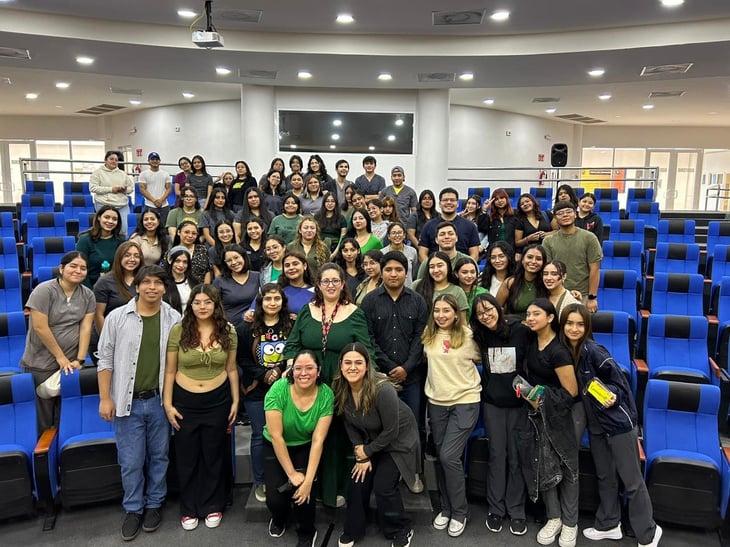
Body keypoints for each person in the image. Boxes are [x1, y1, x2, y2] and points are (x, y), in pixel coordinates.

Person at [559, 304, 662, 547]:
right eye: (570, 323)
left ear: (587, 327)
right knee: (605, 476)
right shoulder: (566, 352)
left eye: (580, 324)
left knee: (632, 481)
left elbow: (620, 383)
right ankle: (609, 524)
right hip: (596, 426)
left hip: (617, 424)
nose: (574, 329)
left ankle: (648, 532)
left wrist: (612, 395)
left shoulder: (594, 350)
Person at [97, 265, 181, 541]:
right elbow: (105, 359)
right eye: (147, 282)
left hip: (159, 401)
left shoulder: (174, 318)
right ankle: (133, 508)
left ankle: (155, 504)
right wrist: (105, 398)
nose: (152, 288)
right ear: (137, 285)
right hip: (126, 401)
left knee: (159, 456)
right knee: (131, 461)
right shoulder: (117, 317)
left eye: (158, 283)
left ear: (165, 288)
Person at [283, 263, 375, 508]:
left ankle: (335, 489)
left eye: (336, 281)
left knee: (335, 438)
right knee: (311, 435)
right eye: (326, 281)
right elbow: (292, 345)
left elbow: (366, 350)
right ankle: (308, 484)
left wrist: (372, 380)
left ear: (343, 284)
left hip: (341, 383)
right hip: (308, 382)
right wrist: (292, 367)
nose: (331, 285)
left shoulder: (355, 312)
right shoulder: (306, 310)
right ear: (318, 285)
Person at [164, 284, 239, 531]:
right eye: (197, 302)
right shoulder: (178, 330)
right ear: (191, 305)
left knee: (213, 454)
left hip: (217, 399)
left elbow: (230, 369)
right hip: (184, 401)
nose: (202, 307)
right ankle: (189, 508)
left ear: (216, 304)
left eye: (208, 302)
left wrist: (235, 400)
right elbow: (171, 370)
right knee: (187, 456)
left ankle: (212, 505)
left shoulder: (228, 331)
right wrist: (167, 404)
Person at [333, 342, 419, 547]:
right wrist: (359, 451)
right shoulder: (341, 388)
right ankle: (353, 528)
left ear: (366, 366)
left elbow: (392, 430)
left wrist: (367, 452)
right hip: (373, 440)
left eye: (358, 362)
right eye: (347, 363)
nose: (352, 367)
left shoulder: (383, 389)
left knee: (383, 487)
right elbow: (349, 423)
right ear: (341, 366)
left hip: (399, 442)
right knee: (358, 481)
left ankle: (400, 528)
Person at [360, 251, 429, 472]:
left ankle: (414, 471)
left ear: (406, 273)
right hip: (381, 377)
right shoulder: (370, 301)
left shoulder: (417, 301)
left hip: (412, 376)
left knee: (414, 423)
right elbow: (368, 339)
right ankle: (385, 470)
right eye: (388, 269)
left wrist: (406, 368)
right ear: (382, 271)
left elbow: (421, 338)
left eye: (398, 269)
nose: (393, 274)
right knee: (382, 424)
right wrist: (390, 367)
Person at [470, 293, 530, 537]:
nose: (486, 316)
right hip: (493, 403)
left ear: (498, 308)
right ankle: (496, 508)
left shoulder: (520, 329)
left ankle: (516, 510)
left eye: (489, 310)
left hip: (519, 403)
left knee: (516, 457)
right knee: (496, 455)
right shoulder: (480, 335)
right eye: (480, 313)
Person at [523, 299, 580, 547]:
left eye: (537, 313)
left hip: (563, 414)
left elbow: (571, 391)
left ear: (550, 317)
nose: (531, 317)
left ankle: (570, 523)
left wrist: (540, 396)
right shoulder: (532, 340)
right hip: (541, 412)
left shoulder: (558, 350)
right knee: (544, 465)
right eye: (528, 313)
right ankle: (553, 517)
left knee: (566, 468)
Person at [423, 294, 481, 538]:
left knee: (449, 456)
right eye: (437, 310)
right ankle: (446, 508)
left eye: (447, 311)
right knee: (441, 457)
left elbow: (484, 359)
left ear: (456, 314)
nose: (441, 315)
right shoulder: (428, 335)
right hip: (436, 402)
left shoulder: (468, 337)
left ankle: (460, 512)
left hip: (465, 401)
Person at [263, 350, 333, 547]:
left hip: (305, 445)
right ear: (292, 371)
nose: (304, 373)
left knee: (304, 496)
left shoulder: (326, 394)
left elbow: (318, 440)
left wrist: (308, 480)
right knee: (275, 501)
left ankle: (307, 532)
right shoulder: (278, 389)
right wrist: (292, 473)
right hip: (275, 445)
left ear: (318, 371)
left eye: (309, 368)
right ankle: (279, 518)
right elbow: (276, 436)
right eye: (298, 368)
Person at [20, 251, 95, 431]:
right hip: (41, 362)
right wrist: (60, 358)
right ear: (61, 268)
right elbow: (40, 327)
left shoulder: (88, 295)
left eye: (83, 268)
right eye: (73, 266)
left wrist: (80, 360)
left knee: (67, 414)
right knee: (44, 419)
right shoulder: (44, 290)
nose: (78, 271)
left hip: (72, 364)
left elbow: (85, 328)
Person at [237, 283, 293, 505]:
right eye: (267, 299)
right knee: (260, 435)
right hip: (256, 390)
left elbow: (293, 350)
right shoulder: (246, 328)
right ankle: (260, 480)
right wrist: (263, 375)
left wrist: (277, 371)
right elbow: (241, 359)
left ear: (282, 301)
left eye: (276, 299)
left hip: (285, 388)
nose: (272, 303)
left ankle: (287, 474)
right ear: (260, 302)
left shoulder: (291, 324)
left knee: (286, 434)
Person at [542, 200, 603, 312]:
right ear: (555, 218)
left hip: (583, 295)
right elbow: (548, 270)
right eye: (560, 213)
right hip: (557, 294)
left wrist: (592, 297)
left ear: (575, 214)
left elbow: (595, 269)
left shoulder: (589, 238)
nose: (565, 215)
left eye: (569, 211)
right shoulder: (548, 241)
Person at [93, 241, 142, 346]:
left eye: (136, 256)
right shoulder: (105, 282)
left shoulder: (144, 279)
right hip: (111, 337)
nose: (132, 259)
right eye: (127, 255)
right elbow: (98, 315)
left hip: (136, 338)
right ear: (119, 257)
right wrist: (107, 342)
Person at [418, 188, 480, 263]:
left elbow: (475, 254)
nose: (449, 202)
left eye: (452, 200)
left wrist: (464, 269)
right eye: (445, 200)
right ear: (440, 204)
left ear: (458, 204)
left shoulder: (470, 226)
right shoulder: (428, 226)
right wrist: (432, 267)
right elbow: (422, 253)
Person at [413, 251, 469, 324]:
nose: (436, 270)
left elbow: (462, 323)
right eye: (432, 267)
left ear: (448, 266)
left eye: (440, 266)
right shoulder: (417, 285)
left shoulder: (457, 291)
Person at [76, 205, 125, 288]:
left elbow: (122, 268)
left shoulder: (121, 240)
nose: (110, 221)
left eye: (114, 219)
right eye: (107, 217)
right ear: (99, 218)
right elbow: (79, 268)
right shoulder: (85, 239)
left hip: (113, 285)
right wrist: (89, 292)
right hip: (89, 285)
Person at [213, 244, 260, 329]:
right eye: (229, 260)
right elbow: (215, 307)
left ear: (243, 256)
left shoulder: (258, 277)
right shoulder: (219, 281)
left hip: (255, 326)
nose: (234, 262)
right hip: (230, 328)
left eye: (236, 257)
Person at [496, 244, 548, 319]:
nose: (533, 261)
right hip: (515, 327)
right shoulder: (510, 282)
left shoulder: (546, 282)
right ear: (523, 260)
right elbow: (496, 309)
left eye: (538, 259)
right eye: (529, 257)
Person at [89, 150, 134, 235]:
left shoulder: (122, 174)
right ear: (106, 160)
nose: (114, 161)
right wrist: (111, 189)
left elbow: (131, 188)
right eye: (111, 159)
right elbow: (93, 188)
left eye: (116, 160)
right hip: (104, 204)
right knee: (105, 230)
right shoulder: (97, 173)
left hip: (121, 205)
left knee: (123, 229)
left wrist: (124, 189)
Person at [171, 220, 210, 285]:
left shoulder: (203, 249)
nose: (190, 236)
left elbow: (207, 271)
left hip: (200, 289)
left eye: (194, 233)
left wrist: (205, 289)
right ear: (178, 232)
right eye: (186, 232)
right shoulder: (171, 252)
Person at [138, 152, 172, 225]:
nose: (155, 161)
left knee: (165, 227)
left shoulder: (165, 174)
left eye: (157, 159)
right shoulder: (143, 174)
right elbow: (142, 189)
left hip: (164, 205)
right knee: (150, 226)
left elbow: (168, 189)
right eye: (152, 159)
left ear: (159, 161)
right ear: (148, 161)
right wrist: (154, 200)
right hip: (150, 205)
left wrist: (161, 200)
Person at [381, 222, 417, 286]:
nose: (397, 236)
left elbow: (413, 272)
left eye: (400, 233)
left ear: (404, 235)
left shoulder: (412, 251)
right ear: (388, 236)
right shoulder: (382, 253)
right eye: (394, 233)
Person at [165, 246, 195, 312]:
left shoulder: (193, 281)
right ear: (169, 260)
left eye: (185, 262)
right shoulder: (163, 282)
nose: (181, 265)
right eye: (177, 261)